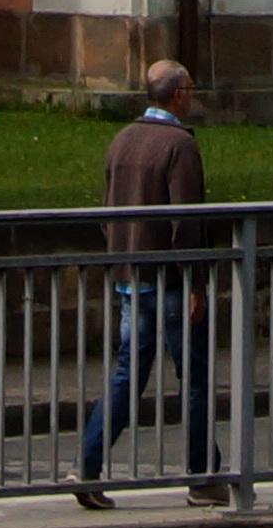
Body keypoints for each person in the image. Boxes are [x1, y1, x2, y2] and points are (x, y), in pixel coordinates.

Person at [73, 60, 221, 505]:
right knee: (194, 376)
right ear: (177, 95)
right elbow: (186, 222)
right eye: (190, 88)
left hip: (129, 275)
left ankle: (88, 467)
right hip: (170, 279)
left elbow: (107, 213)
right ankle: (201, 476)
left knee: (128, 372)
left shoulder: (122, 140)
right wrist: (195, 282)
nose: (192, 96)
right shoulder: (179, 145)